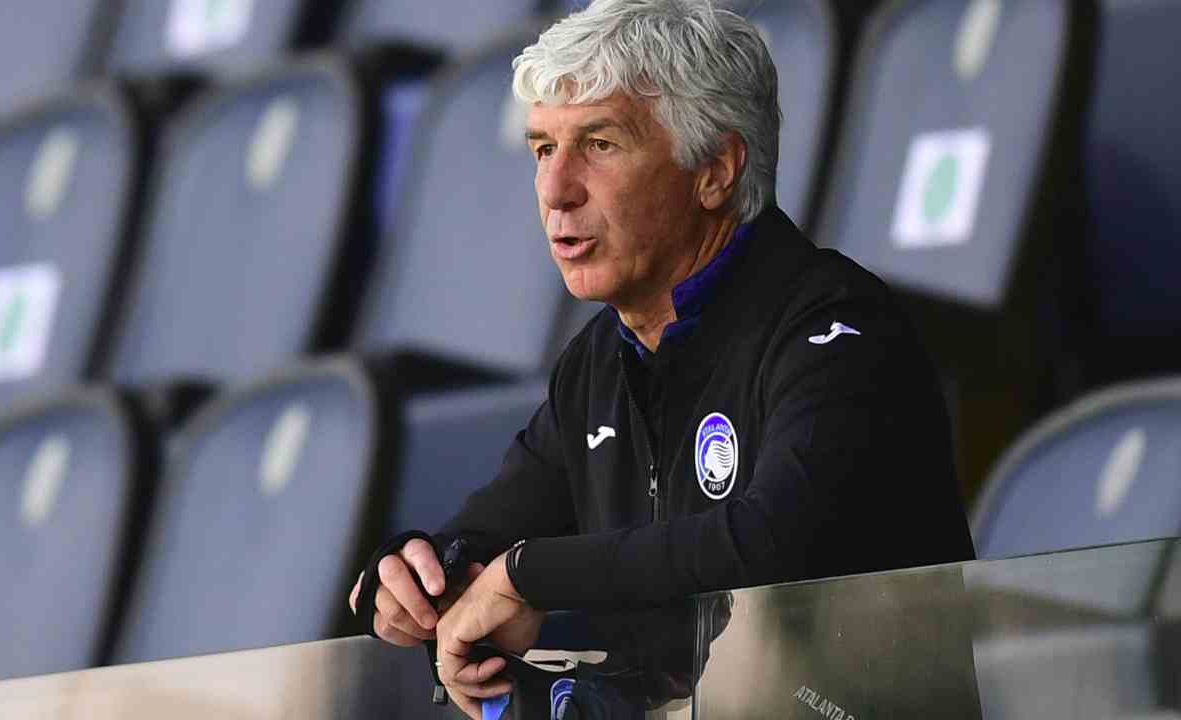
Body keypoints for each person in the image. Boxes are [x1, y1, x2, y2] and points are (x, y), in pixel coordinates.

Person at [351, 0, 976, 716]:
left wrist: (528, 575)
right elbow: (487, 536)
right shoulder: (596, 364)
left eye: (600, 144)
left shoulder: (837, 326)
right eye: (543, 150)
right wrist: (410, 573)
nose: (555, 191)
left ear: (713, 171)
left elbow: (773, 543)